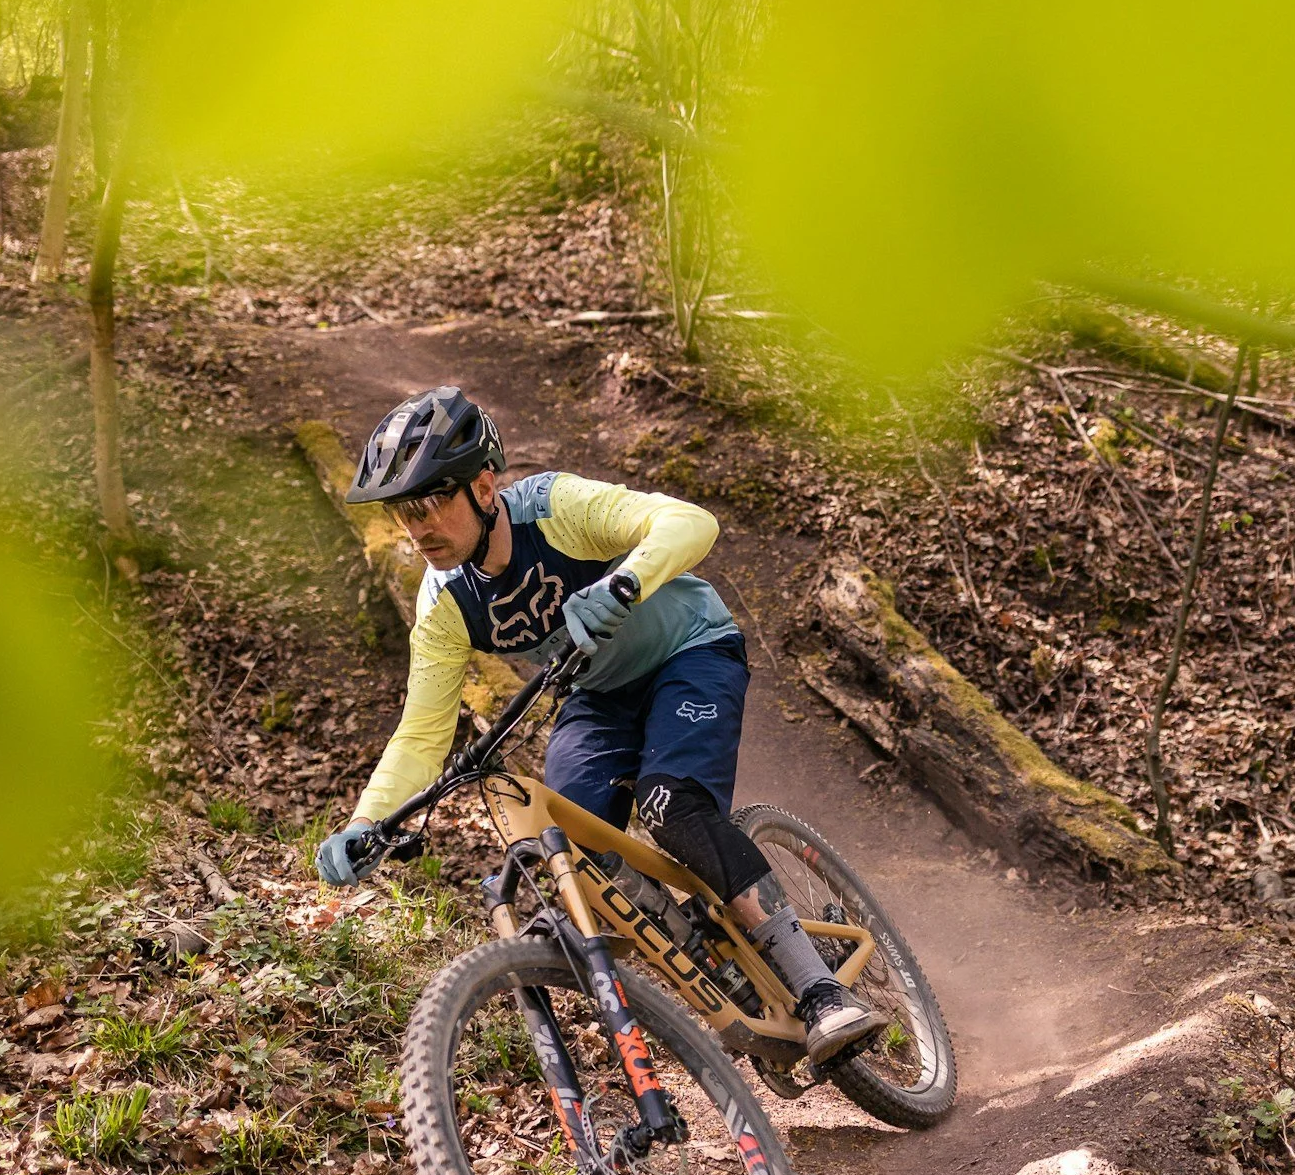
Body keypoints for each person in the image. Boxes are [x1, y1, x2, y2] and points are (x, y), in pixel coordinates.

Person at [314, 385, 880, 1064]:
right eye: (405, 512)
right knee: (568, 853)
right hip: (594, 696)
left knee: (672, 806)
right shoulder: (445, 604)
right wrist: (366, 821)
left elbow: (689, 522)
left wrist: (625, 583)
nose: (419, 526)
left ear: (485, 486)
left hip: (688, 654)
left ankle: (821, 991)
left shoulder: (555, 509)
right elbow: (421, 733)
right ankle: (710, 957)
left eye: (432, 502)